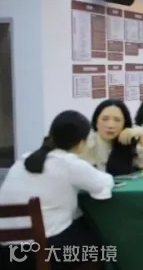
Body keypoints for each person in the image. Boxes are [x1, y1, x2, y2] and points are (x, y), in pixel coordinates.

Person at [0, 111, 113, 270]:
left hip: (8, 254)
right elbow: (103, 183)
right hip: (45, 252)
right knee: (99, 247)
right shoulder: (69, 163)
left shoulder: (23, 159)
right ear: (81, 143)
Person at [81, 99, 143, 175]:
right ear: (96, 122)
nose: (110, 125)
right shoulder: (85, 143)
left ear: (124, 123)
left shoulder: (129, 141)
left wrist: (142, 135)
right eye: (105, 119)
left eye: (117, 120)